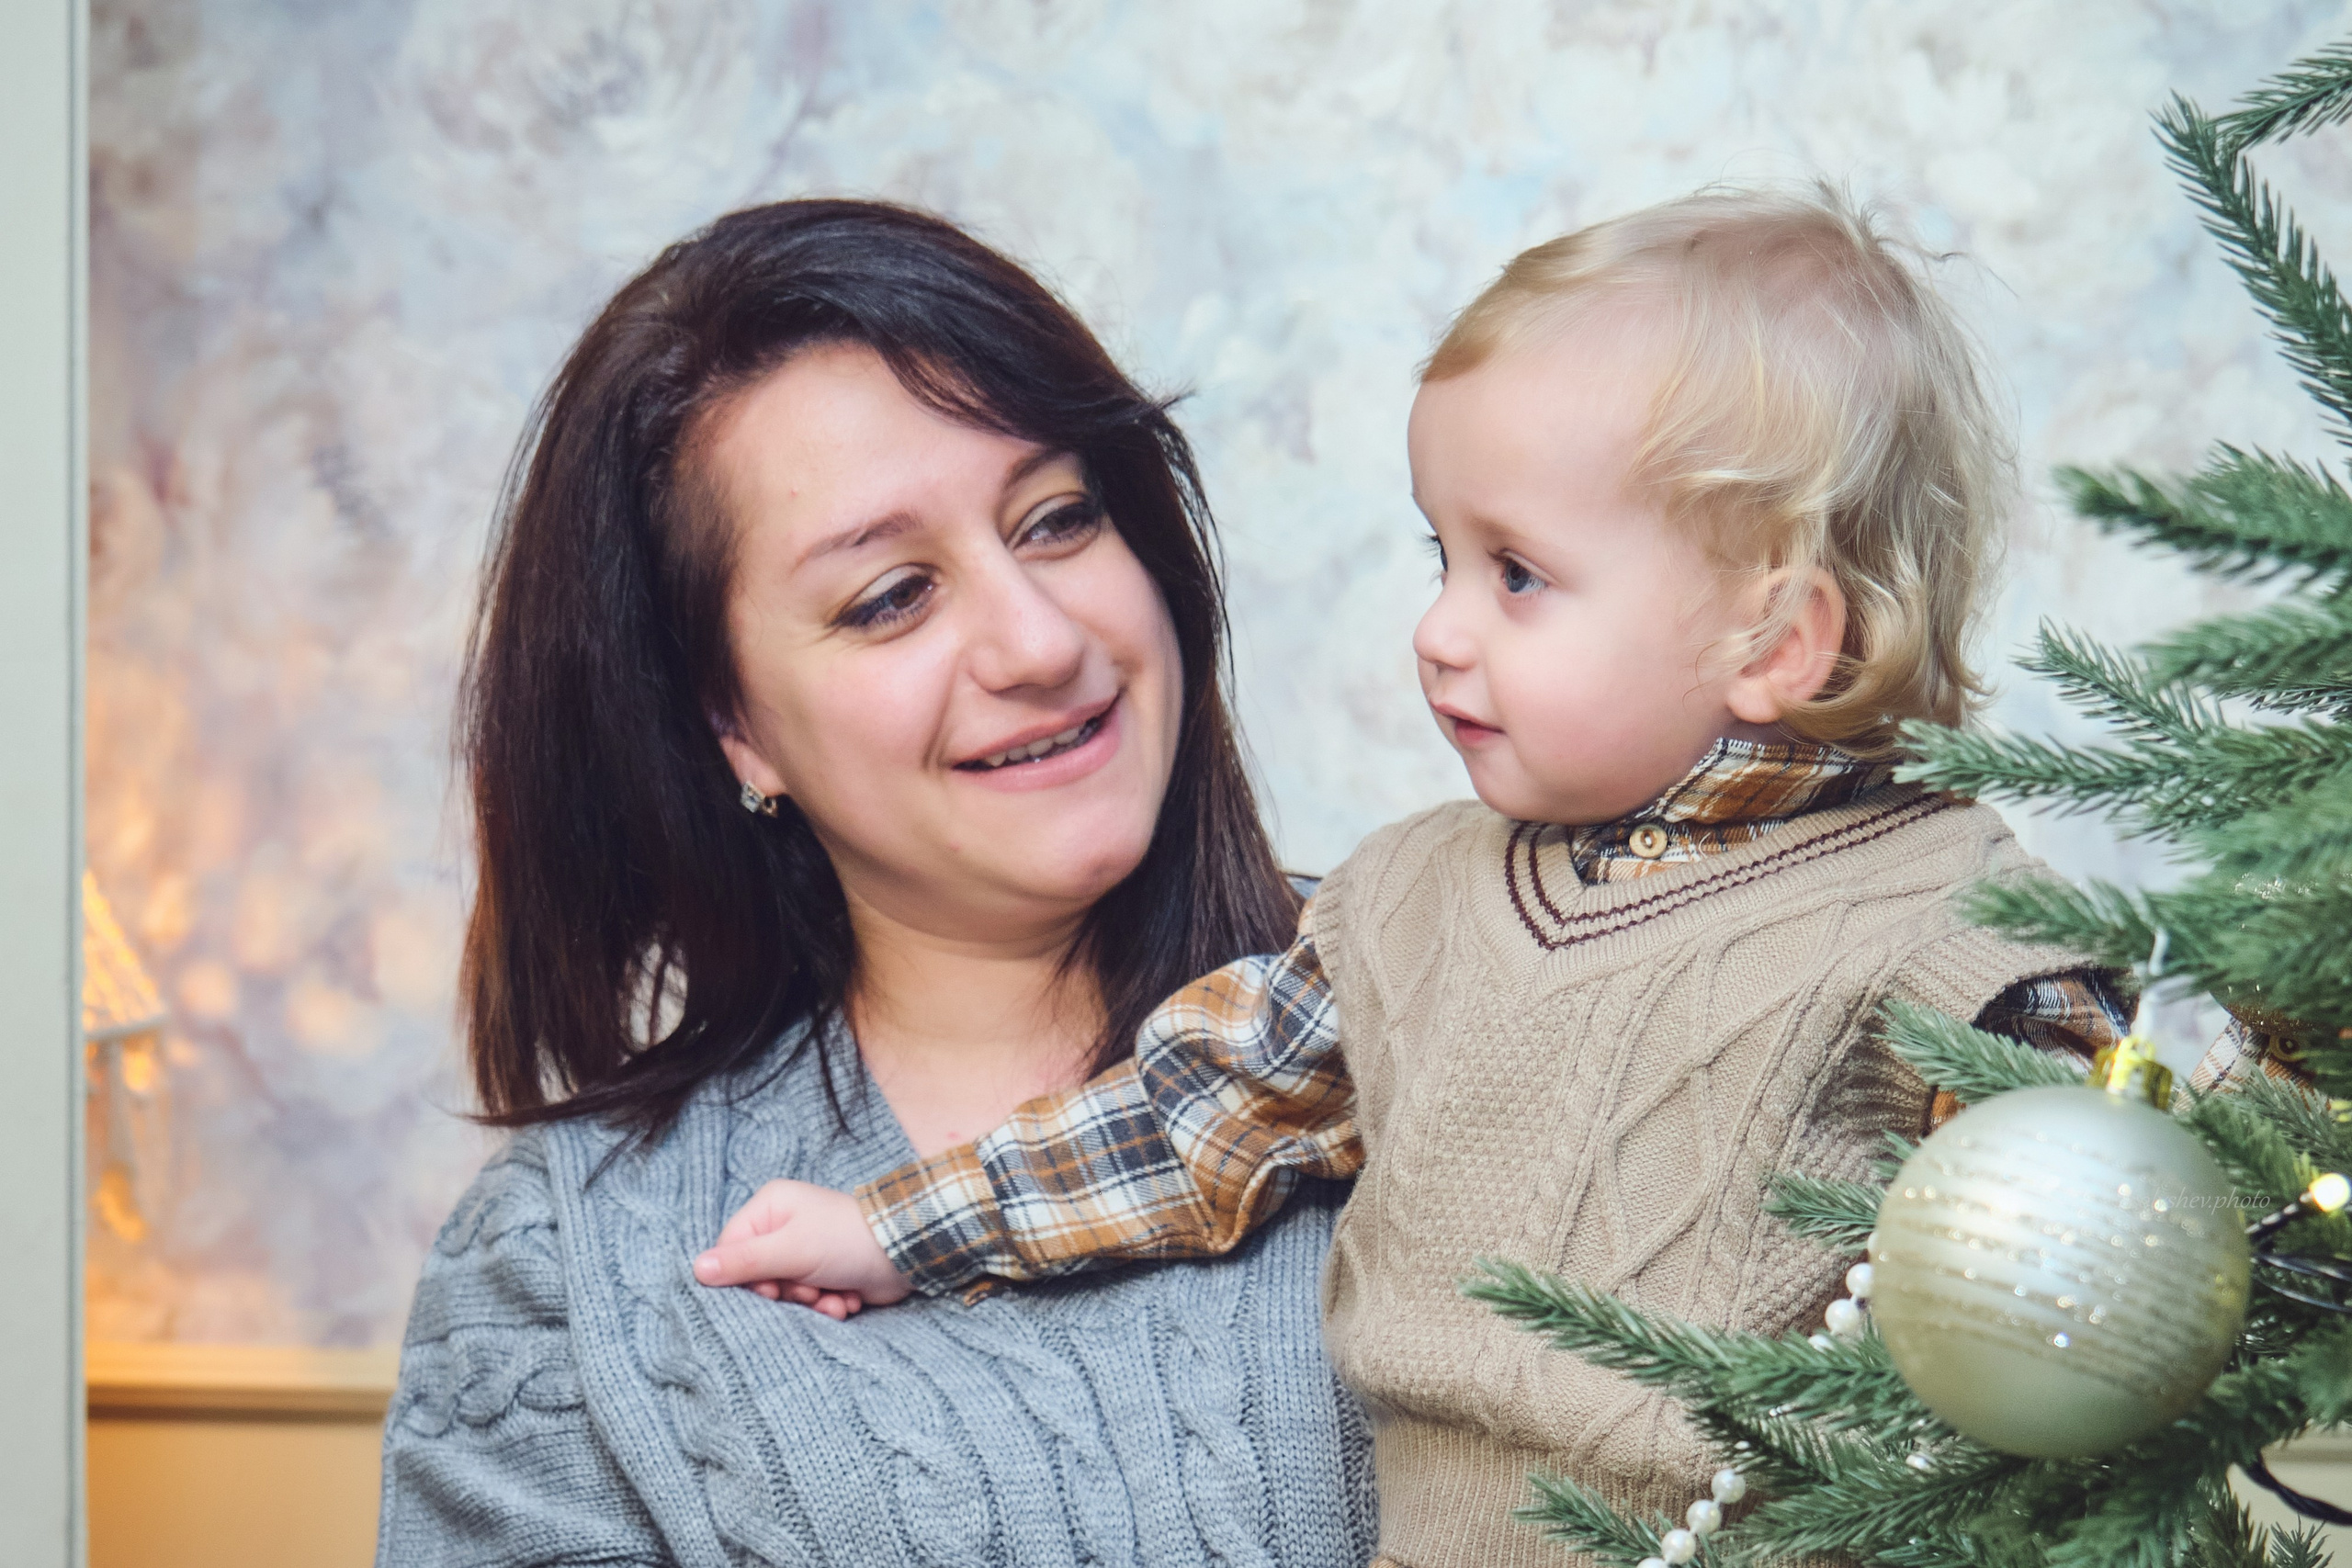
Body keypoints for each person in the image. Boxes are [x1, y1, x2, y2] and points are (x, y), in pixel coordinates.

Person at [687, 186, 2143, 1568]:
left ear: (1772, 640)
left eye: (1516, 574)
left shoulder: (1950, 929)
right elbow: (1195, 1117)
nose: (1438, 632)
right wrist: (895, 1228)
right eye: (1438, 554)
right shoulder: (1410, 906)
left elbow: (2108, 1278)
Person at [376, 199, 1379, 1568]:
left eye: (1058, 519)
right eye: (892, 595)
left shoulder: (1442, 998)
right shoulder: (569, 1269)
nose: (1038, 639)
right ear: (730, 724)